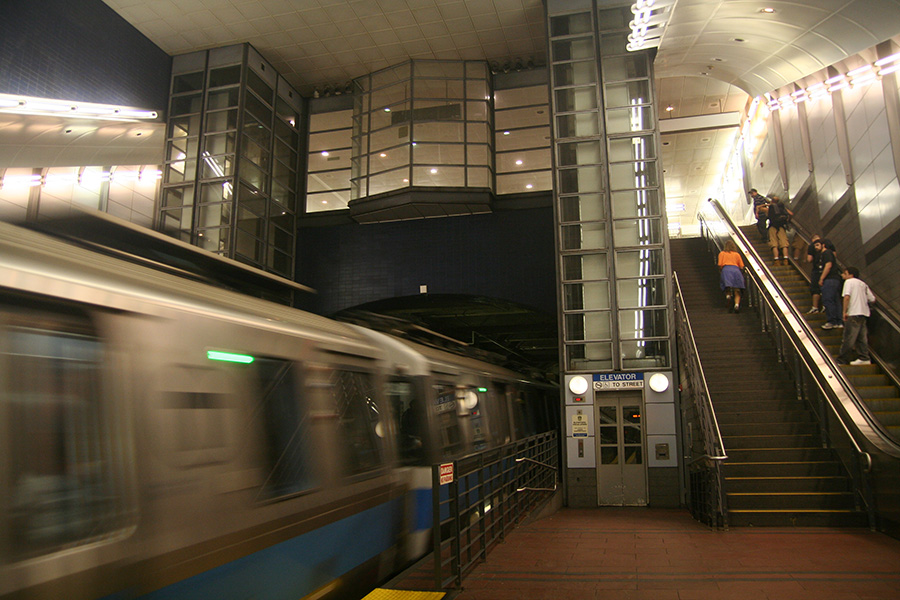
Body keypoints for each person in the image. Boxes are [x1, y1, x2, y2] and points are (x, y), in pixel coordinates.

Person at [837, 266, 875, 365]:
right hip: (863, 313)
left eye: (845, 273)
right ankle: (864, 358)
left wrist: (844, 312)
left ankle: (842, 360)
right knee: (861, 338)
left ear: (851, 275)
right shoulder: (863, 284)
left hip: (853, 313)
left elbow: (846, 297)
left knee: (849, 338)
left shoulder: (849, 282)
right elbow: (872, 299)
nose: (842, 275)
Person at [818, 239, 843, 329]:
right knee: (836, 301)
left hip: (829, 280)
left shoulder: (826, 253)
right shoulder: (830, 253)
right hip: (835, 280)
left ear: (823, 245)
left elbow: (828, 265)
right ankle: (839, 322)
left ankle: (831, 321)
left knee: (828, 300)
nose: (816, 247)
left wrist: (821, 278)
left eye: (818, 245)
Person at [717, 239, 745, 313]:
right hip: (736, 270)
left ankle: (728, 296)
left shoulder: (722, 254)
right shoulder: (737, 254)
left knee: (727, 286)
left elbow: (720, 264)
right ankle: (736, 305)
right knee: (737, 290)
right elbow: (741, 266)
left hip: (726, 270)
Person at [766, 196, 792, 265]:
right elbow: (791, 214)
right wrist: (787, 220)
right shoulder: (782, 208)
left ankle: (776, 260)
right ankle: (785, 260)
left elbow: (767, 215)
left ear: (772, 201)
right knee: (784, 243)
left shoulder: (770, 208)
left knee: (774, 244)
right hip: (781, 227)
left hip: (772, 227)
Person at [805, 235, 824, 314]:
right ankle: (825, 306)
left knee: (815, 289)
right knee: (824, 288)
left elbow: (809, 259)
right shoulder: (826, 247)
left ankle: (815, 307)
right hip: (825, 271)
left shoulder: (811, 247)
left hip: (816, 271)